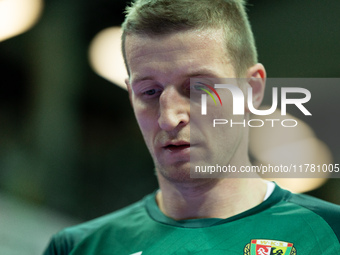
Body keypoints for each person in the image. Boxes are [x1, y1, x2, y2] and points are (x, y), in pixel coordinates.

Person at [43, 0, 340, 254]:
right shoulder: (77, 248)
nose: (169, 118)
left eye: (199, 88)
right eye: (149, 92)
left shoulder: (330, 234)